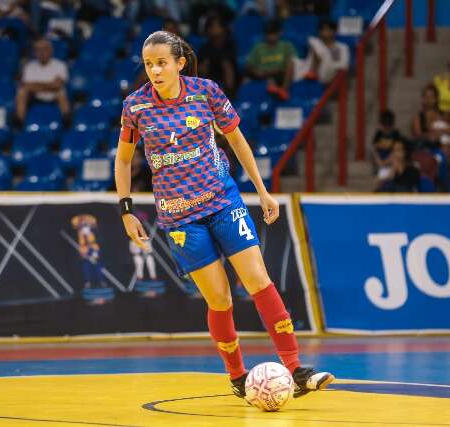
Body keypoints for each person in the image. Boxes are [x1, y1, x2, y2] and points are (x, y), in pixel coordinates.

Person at [114, 30, 334, 400]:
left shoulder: (206, 92)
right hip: (180, 219)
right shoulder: (136, 106)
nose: (154, 70)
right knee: (219, 300)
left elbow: (236, 139)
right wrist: (126, 210)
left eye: (161, 62)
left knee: (258, 280)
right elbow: (123, 160)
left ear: (180, 63)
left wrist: (262, 191)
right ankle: (237, 376)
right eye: (149, 64)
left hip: (223, 202)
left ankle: (296, 368)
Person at [16, 38, 70, 123]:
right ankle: (20, 122)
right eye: (38, 50)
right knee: (22, 91)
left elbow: (58, 85)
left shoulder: (60, 65)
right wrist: (49, 85)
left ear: (51, 50)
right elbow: (26, 86)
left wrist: (35, 85)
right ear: (34, 52)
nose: (41, 52)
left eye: (44, 49)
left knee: (60, 92)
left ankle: (67, 121)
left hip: (54, 96)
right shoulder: (29, 66)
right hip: (35, 96)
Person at [246, 19, 296, 101]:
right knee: (246, 81)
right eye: (268, 33)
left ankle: (283, 90)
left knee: (290, 64)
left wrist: (275, 71)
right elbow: (249, 66)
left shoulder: (287, 46)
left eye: (273, 33)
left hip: (281, 76)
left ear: (279, 33)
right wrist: (256, 72)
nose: (271, 36)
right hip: (263, 76)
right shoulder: (258, 48)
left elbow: (291, 64)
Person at [198, 16, 237, 98]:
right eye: (210, 26)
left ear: (223, 29)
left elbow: (230, 69)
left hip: (227, 84)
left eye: (216, 26)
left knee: (226, 65)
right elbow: (200, 70)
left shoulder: (229, 46)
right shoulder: (204, 48)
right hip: (209, 81)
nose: (213, 29)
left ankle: (228, 95)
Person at [411, 84, 450, 150]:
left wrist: (441, 132)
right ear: (422, 98)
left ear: (437, 98)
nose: (428, 100)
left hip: (445, 146)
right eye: (426, 97)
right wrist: (430, 135)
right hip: (426, 147)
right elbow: (418, 135)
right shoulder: (418, 117)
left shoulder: (444, 114)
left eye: (431, 97)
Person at [371, 110, 404, 180]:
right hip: (381, 156)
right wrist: (380, 160)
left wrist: (386, 161)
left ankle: (388, 170)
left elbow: (397, 146)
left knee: (397, 153)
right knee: (374, 151)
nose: (386, 130)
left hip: (390, 156)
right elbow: (375, 145)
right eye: (384, 128)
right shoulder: (379, 133)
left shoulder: (396, 133)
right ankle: (381, 166)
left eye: (388, 128)